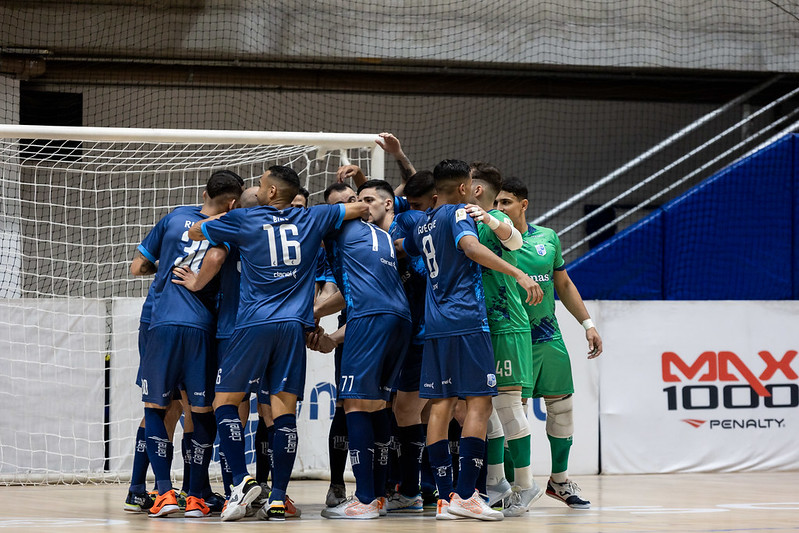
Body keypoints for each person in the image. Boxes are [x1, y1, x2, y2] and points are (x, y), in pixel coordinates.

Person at [188, 165, 368, 522]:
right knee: (283, 412)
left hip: (254, 322)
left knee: (225, 402)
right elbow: (359, 208)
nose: (257, 187)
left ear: (270, 193)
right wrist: (352, 192)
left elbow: (196, 231)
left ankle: (240, 482)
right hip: (293, 327)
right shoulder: (313, 216)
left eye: (260, 184)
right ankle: (278, 498)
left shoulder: (245, 220)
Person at [398, 159, 542, 521]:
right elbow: (471, 248)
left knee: (441, 406)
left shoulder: (426, 220)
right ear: (464, 188)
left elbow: (403, 245)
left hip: (435, 325)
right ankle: (465, 495)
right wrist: (520, 273)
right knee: (479, 405)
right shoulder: (459, 214)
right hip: (466, 320)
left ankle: (447, 497)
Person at [131, 170, 243, 518]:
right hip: (203, 326)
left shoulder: (175, 216)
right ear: (232, 202)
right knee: (200, 410)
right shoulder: (231, 226)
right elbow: (216, 258)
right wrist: (199, 284)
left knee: (156, 407)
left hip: (160, 321)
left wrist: (166, 269)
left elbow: (137, 267)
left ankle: (160, 492)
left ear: (204, 190)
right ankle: (195, 494)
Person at [495, 176, 603, 510]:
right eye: (495, 204)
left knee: (563, 409)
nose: (499, 209)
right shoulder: (491, 241)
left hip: (548, 336)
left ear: (523, 205)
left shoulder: (548, 238)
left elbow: (565, 284)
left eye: (506, 203)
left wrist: (588, 324)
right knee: (516, 416)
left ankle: (559, 481)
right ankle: (515, 487)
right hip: (513, 338)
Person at [312, 179, 412, 519]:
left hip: (372, 320)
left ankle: (365, 499)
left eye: (353, 200)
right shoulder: (381, 237)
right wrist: (328, 330)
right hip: (398, 319)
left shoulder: (336, 226)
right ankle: (378, 497)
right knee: (378, 405)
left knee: (353, 404)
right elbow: (358, 295)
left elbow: (361, 304)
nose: (356, 204)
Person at [464, 162, 542, 516]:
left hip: (507, 324)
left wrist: (490, 217)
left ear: (477, 189)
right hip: (480, 327)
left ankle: (526, 485)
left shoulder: (494, 220)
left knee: (509, 406)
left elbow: (515, 237)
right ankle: (496, 483)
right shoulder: (464, 220)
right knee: (485, 408)